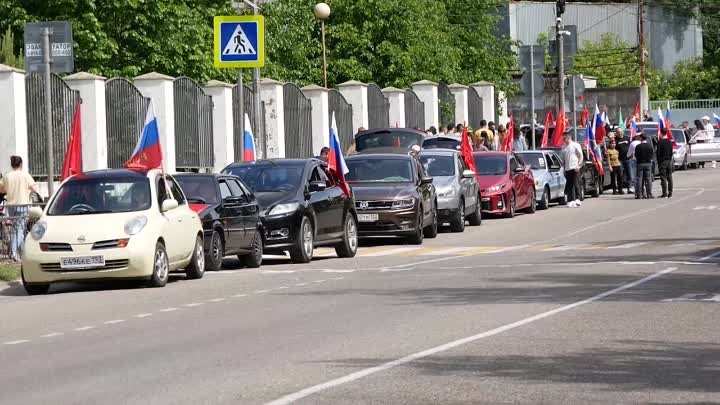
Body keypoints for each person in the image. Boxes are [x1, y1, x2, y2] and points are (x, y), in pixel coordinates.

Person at [0, 156, 39, 261]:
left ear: (12, 165)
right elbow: (34, 188)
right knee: (19, 229)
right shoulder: (25, 175)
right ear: (21, 164)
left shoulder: (7, 176)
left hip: (11, 206)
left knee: (17, 230)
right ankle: (12, 254)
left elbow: (1, 189)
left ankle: (23, 254)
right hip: (23, 205)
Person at [560, 131, 584, 208]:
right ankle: (571, 200)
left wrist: (579, 165)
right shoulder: (563, 147)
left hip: (575, 167)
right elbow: (563, 159)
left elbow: (581, 155)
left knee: (576, 183)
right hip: (567, 168)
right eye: (563, 139)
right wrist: (563, 169)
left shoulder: (575, 145)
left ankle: (578, 199)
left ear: (568, 137)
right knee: (569, 185)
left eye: (564, 139)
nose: (563, 140)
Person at [634, 134, 655, 199]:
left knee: (639, 179)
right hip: (648, 163)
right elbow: (652, 154)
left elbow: (636, 155)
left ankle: (639, 194)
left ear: (641, 138)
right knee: (648, 178)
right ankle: (649, 194)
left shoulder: (638, 146)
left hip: (640, 163)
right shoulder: (650, 146)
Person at [657, 128, 674, 198]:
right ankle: (670, 192)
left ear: (661, 133)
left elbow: (658, 153)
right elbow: (671, 152)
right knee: (669, 177)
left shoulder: (660, 142)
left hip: (662, 161)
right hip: (669, 161)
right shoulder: (670, 142)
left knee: (663, 177)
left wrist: (659, 161)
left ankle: (664, 193)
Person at [614, 129, 632, 194]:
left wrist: (631, 155)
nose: (620, 133)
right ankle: (620, 189)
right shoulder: (615, 140)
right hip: (619, 160)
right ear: (616, 133)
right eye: (618, 132)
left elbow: (631, 147)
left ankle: (629, 188)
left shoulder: (627, 138)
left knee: (629, 174)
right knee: (620, 175)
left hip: (628, 159)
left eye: (621, 132)